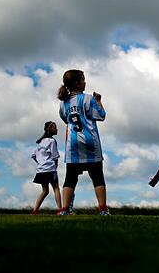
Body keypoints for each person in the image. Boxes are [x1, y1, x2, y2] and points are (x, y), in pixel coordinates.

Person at [57, 69, 109, 216]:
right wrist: (98, 101)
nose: (85, 82)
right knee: (97, 176)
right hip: (90, 142)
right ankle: (102, 210)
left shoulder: (63, 104)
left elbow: (65, 119)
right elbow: (101, 115)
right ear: (77, 83)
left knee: (70, 178)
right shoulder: (88, 99)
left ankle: (64, 210)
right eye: (83, 79)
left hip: (72, 144)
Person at [31, 121, 62, 214]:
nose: (56, 129)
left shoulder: (41, 142)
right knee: (56, 188)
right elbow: (55, 156)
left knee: (45, 191)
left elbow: (33, 155)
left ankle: (35, 211)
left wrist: (40, 163)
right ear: (49, 129)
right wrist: (55, 166)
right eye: (54, 127)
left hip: (40, 170)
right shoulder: (52, 141)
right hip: (50, 169)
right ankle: (60, 210)